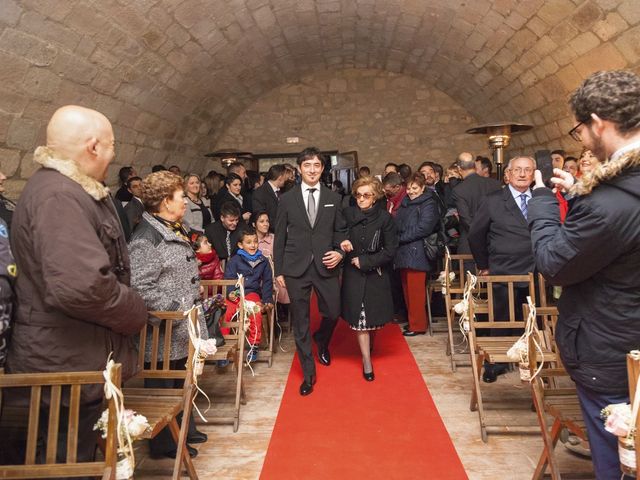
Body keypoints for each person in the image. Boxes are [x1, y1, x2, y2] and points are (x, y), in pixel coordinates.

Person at [5, 105, 147, 463]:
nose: (114, 156)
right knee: (64, 461)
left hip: (74, 356)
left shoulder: (69, 190)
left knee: (79, 457)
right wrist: (135, 310)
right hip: (62, 363)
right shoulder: (59, 196)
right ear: (94, 147)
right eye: (112, 147)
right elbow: (82, 287)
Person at [529, 70, 640, 480]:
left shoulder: (610, 203)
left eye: (580, 131)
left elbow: (554, 263)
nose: (582, 140)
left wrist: (542, 202)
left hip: (615, 351)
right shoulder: (616, 193)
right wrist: (580, 193)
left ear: (599, 123)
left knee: (617, 459)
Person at [128, 170, 208, 459]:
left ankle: (185, 428)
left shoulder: (170, 225)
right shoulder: (146, 238)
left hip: (180, 325)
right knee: (164, 386)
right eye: (180, 197)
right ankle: (165, 444)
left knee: (182, 379)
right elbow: (140, 286)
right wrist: (175, 309)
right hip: (164, 329)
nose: (186, 202)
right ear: (165, 201)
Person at [274, 146, 347, 396]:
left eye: (316, 165)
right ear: (299, 169)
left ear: (323, 168)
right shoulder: (286, 200)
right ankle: (308, 373)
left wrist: (340, 252)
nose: (312, 170)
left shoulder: (334, 199)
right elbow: (279, 237)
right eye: (307, 165)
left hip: (326, 266)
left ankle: (322, 340)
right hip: (295, 268)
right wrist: (279, 269)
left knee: (334, 311)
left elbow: (340, 232)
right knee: (301, 322)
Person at [468, 156, 536, 382]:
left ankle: (533, 362)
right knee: (501, 317)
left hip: (536, 271)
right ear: (508, 174)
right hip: (503, 269)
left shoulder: (540, 199)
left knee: (532, 320)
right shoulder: (493, 200)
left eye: (528, 170)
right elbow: (476, 234)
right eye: (518, 170)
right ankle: (496, 364)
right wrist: (484, 265)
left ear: (534, 174)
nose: (523, 174)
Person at [340, 177, 397, 381]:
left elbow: (391, 250)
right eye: (358, 195)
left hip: (376, 274)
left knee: (373, 319)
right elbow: (337, 232)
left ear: (375, 197)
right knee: (360, 321)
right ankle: (366, 360)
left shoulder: (385, 219)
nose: (361, 199)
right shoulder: (347, 214)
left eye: (366, 195)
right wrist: (342, 241)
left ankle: (370, 346)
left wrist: (365, 261)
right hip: (353, 276)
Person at [394, 172, 439, 336]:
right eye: (409, 188)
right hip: (404, 251)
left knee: (416, 293)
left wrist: (400, 238)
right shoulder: (405, 202)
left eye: (415, 188)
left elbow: (424, 228)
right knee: (407, 290)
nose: (411, 191)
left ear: (422, 188)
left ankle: (418, 326)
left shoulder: (428, 204)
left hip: (417, 251)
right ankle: (413, 322)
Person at [223, 227, 274, 363]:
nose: (253, 245)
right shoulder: (234, 261)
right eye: (249, 242)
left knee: (254, 312)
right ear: (240, 245)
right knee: (225, 313)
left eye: (255, 242)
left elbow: (268, 281)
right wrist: (230, 293)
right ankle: (224, 348)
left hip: (252, 293)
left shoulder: (263, 261)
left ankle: (253, 345)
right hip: (236, 293)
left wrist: (267, 299)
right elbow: (228, 278)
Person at [451, 152, 501, 254]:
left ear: (459, 169)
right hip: (496, 242)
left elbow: (466, 220)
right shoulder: (495, 184)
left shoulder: (459, 190)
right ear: (474, 166)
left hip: (471, 245)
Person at [253, 211, 290, 315]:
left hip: (275, 273)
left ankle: (279, 311)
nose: (266, 224)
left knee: (282, 284)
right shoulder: (250, 240)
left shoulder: (274, 238)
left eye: (267, 221)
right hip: (257, 275)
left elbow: (282, 258)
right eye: (262, 221)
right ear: (254, 224)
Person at [252, 164, 287, 231]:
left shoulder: (282, 191)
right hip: (269, 232)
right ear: (280, 177)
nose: (286, 179)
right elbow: (260, 215)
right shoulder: (260, 192)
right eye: (285, 176)